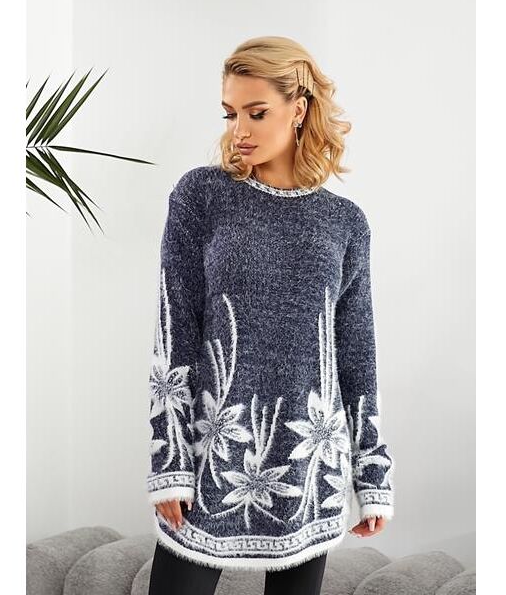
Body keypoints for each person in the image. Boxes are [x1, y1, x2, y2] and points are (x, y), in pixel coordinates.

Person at [145, 36, 395, 595]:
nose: (240, 129)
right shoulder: (201, 195)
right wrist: (170, 460)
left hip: (310, 460)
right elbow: (174, 330)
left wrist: (372, 471)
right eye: (230, 113)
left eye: (256, 113)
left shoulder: (345, 222)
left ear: (298, 109)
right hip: (215, 452)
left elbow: (356, 352)